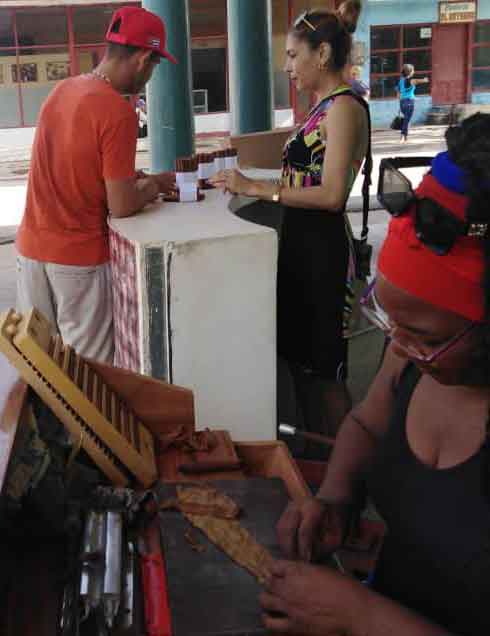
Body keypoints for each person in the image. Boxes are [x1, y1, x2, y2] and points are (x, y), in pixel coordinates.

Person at [262, 113, 490, 636]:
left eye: (427, 339)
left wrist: (360, 617)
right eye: (393, 325)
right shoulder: (411, 353)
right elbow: (368, 422)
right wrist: (335, 499)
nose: (402, 348)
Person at [210, 1, 368, 451]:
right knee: (301, 365)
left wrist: (261, 191)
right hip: (300, 247)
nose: (287, 67)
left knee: (326, 372)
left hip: (322, 254)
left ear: (322, 55)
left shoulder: (343, 108)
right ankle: (319, 462)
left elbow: (333, 194)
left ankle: (347, 474)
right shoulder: (322, 107)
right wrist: (251, 179)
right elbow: (305, 176)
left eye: (294, 56)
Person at [15, 7, 176, 364]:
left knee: (41, 365)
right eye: (155, 65)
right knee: (90, 375)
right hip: (78, 260)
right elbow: (120, 205)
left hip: (31, 249)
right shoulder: (118, 112)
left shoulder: (64, 89)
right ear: (144, 59)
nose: (151, 75)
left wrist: (128, 180)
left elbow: (72, 166)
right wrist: (155, 185)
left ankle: (46, 422)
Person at [397, 63, 429, 143]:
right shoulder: (412, 80)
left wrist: (402, 102)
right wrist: (425, 80)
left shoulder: (400, 81)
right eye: (413, 70)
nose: (414, 72)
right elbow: (421, 81)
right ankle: (402, 137)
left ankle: (405, 138)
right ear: (410, 72)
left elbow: (399, 94)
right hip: (409, 103)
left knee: (406, 120)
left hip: (402, 103)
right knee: (406, 120)